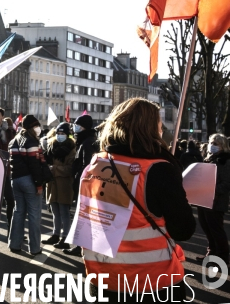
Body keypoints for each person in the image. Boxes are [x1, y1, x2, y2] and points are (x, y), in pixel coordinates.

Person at [78, 98, 195, 302]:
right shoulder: (159, 169)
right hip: (152, 282)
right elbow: (183, 229)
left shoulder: (94, 165)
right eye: (159, 124)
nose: (161, 129)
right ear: (149, 128)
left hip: (103, 279)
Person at [8, 115, 46, 255]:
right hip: (29, 180)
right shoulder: (31, 142)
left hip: (16, 180)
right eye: (36, 126)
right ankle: (35, 248)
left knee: (18, 212)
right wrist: (39, 184)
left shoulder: (13, 141)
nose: (38, 128)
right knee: (34, 215)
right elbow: (34, 165)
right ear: (31, 127)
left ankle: (14, 244)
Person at [64, 114, 98, 256]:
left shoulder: (88, 142)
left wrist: (79, 179)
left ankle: (81, 247)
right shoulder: (84, 141)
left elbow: (87, 166)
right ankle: (80, 246)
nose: (75, 127)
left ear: (84, 127)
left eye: (77, 125)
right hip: (82, 184)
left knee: (83, 217)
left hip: (84, 186)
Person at [196, 133, 230, 264]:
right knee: (207, 228)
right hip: (203, 199)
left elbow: (226, 184)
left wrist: (211, 190)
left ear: (223, 146)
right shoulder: (208, 158)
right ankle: (211, 253)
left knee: (216, 230)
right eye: (211, 143)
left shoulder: (226, 161)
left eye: (216, 144)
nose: (212, 146)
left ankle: (222, 257)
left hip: (216, 202)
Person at [42, 122, 76, 250]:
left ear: (68, 135)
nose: (60, 136)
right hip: (52, 183)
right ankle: (56, 234)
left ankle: (65, 237)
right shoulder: (51, 146)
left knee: (64, 212)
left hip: (64, 184)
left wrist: (54, 168)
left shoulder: (72, 149)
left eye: (63, 134)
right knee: (55, 211)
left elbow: (70, 168)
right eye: (58, 133)